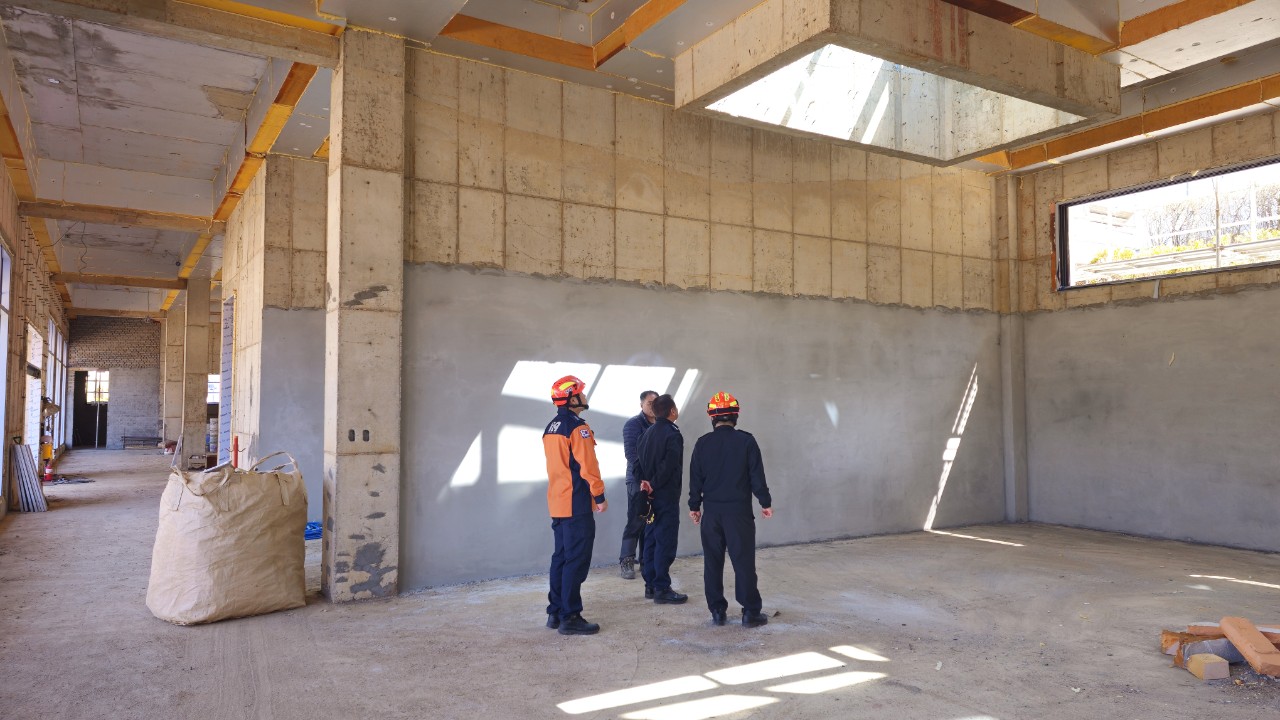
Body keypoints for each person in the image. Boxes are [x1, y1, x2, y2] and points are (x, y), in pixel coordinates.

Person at [688, 391, 773, 628]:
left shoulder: (702, 443)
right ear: (735, 415)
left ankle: (717, 611)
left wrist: (694, 506)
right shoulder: (746, 441)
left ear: (712, 417)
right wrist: (765, 502)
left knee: (712, 563)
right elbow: (757, 476)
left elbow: (695, 479)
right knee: (743, 562)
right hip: (739, 514)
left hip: (712, 514)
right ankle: (750, 613)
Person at [542, 375, 608, 635]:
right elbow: (587, 465)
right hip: (576, 502)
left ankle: (555, 612)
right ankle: (570, 616)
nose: (584, 395)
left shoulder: (551, 427)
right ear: (572, 399)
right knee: (576, 560)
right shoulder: (577, 428)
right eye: (581, 392)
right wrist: (599, 495)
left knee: (560, 558)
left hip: (558, 502)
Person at [636, 393, 687, 605]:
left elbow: (637, 463)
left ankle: (650, 584)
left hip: (649, 497)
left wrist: (646, 485)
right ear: (672, 411)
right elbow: (669, 465)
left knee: (650, 539)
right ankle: (662, 588)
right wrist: (655, 484)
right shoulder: (673, 434)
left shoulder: (646, 433)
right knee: (665, 541)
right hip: (665, 496)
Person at [619, 390, 658, 579]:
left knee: (651, 521)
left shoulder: (661, 425)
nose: (653, 406)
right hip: (637, 479)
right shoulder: (633, 424)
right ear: (641, 404)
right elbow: (631, 454)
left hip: (656, 480)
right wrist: (643, 478)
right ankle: (626, 560)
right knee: (636, 520)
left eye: (656, 403)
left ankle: (646, 561)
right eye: (649, 403)